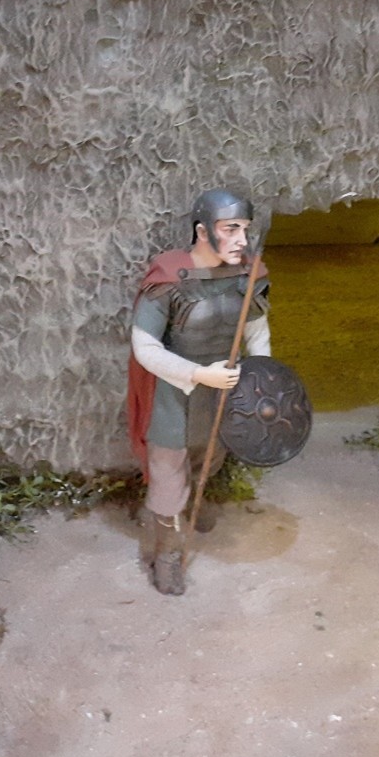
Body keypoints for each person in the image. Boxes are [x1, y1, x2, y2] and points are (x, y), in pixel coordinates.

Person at [126, 188, 270, 595]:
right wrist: (197, 374)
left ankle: (196, 501)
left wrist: (260, 376)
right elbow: (145, 347)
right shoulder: (170, 278)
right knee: (169, 476)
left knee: (212, 453)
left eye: (245, 229)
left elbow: (257, 331)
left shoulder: (249, 275)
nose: (241, 239)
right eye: (231, 229)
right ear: (203, 231)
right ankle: (167, 555)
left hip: (224, 391)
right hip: (174, 394)